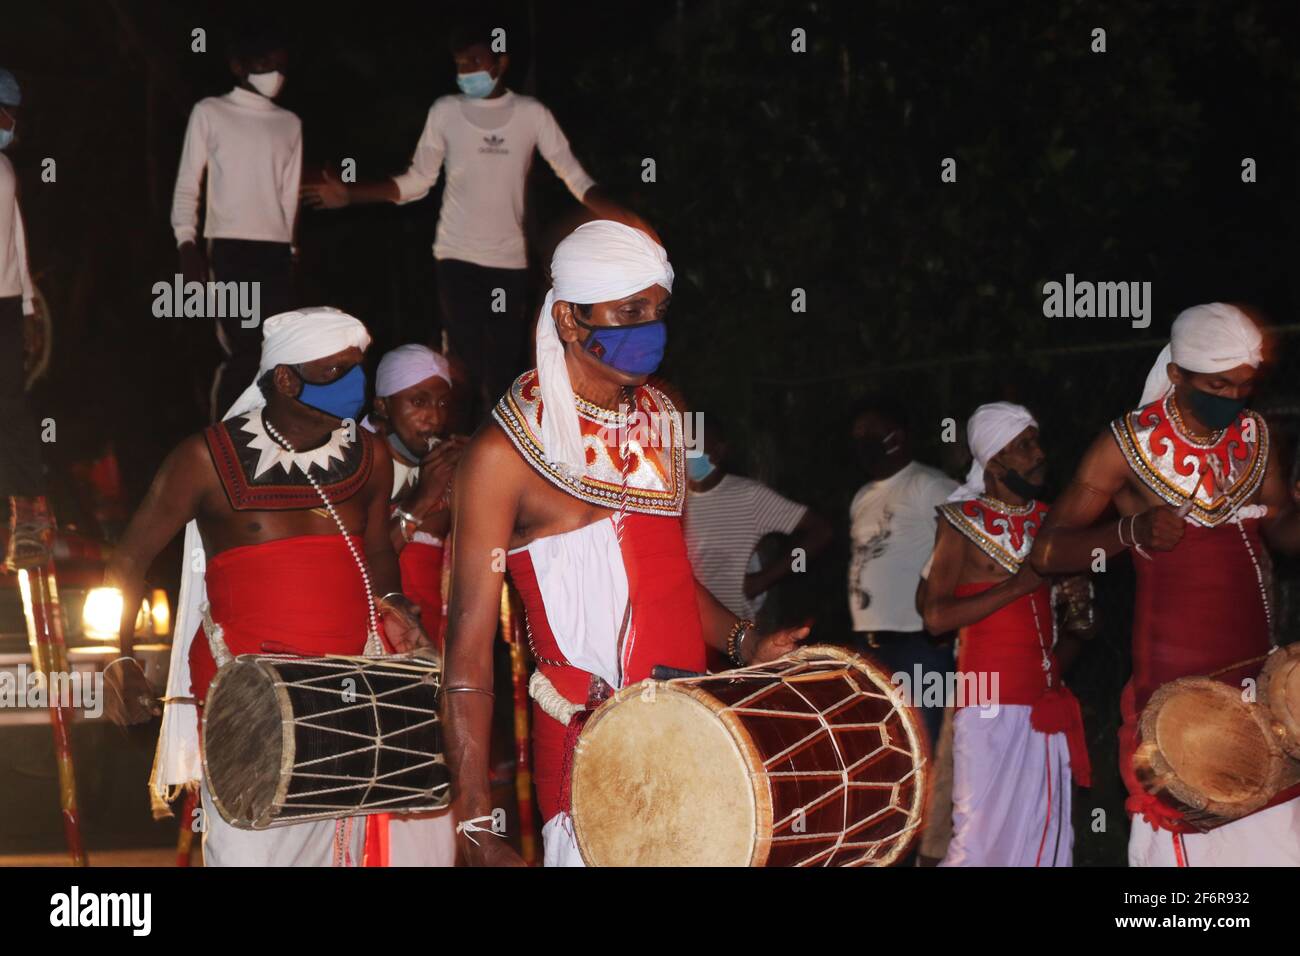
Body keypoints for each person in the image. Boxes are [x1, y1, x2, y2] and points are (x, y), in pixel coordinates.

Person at [442, 220, 810, 866]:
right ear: (568, 320)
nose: (651, 328)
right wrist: (473, 821)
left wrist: (746, 643)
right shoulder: (503, 454)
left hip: (689, 733)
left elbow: (666, 576)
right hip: (592, 758)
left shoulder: (665, 415)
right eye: (630, 311)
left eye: (659, 311)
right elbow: (467, 655)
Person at [103, 308, 430, 866]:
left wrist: (396, 607)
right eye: (336, 370)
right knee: (252, 853)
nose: (354, 384)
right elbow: (130, 557)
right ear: (285, 378)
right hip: (248, 702)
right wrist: (119, 655)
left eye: (358, 368)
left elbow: (376, 549)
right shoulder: (204, 460)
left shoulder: (370, 458)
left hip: (348, 695)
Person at [1032, 302, 1300, 866]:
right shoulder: (1125, 445)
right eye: (1216, 384)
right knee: (1191, 825)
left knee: (1274, 822)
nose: (1230, 398)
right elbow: (1050, 551)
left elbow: (1281, 532)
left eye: (1243, 386)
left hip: (1257, 671)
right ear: (1177, 374)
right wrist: (1132, 530)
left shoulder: (1258, 437)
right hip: (1176, 678)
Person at [301, 20, 646, 416]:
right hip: (456, 257)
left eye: (475, 61)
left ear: (501, 61)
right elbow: (416, 181)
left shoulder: (531, 114)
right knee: (461, 364)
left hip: (507, 263)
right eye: (460, 64)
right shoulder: (446, 111)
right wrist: (351, 194)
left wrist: (623, 217)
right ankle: (456, 453)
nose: (466, 71)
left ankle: (499, 453)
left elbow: (577, 178)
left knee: (500, 365)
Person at [920, 402, 1091, 866]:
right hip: (986, 698)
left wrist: (1073, 601)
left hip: (1044, 702)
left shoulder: (1055, 523)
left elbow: (1082, 625)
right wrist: (1018, 586)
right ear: (994, 460)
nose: (1039, 455)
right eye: (1024, 446)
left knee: (1046, 831)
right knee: (978, 836)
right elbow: (935, 617)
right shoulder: (958, 521)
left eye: (1037, 442)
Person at [360, 343, 466, 867]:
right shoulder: (354, 463)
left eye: (442, 403)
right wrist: (421, 500)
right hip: (368, 663)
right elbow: (356, 566)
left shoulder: (451, 469)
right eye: (418, 401)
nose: (433, 417)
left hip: (431, 665)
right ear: (382, 406)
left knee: (428, 814)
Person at [171, 29, 302, 420]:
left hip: (275, 251)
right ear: (238, 66)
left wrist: (292, 250)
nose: (273, 73)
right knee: (243, 350)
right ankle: (221, 446)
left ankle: (266, 444)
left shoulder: (289, 123)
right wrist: (186, 243)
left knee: (278, 354)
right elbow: (187, 182)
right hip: (229, 248)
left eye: (279, 66)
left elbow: (289, 195)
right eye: (264, 65)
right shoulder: (210, 111)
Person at [847, 399, 957, 745]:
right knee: (880, 746)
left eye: (872, 432)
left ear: (897, 436)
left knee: (923, 744)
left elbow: (965, 545)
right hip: (869, 647)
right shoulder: (863, 495)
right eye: (858, 435)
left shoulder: (929, 485)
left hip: (918, 646)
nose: (864, 440)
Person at [684, 415, 832, 627]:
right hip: (684, 629)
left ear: (719, 451)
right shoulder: (672, 501)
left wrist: (766, 578)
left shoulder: (748, 496)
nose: (685, 450)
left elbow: (821, 532)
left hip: (734, 637)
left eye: (693, 443)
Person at [0, 67, 54, 572]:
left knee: (11, 410)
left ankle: (29, 517)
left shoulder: (5, 169)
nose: (9, 122)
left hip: (5, 301)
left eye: (12, 113)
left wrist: (26, 305)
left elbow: (15, 238)